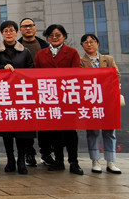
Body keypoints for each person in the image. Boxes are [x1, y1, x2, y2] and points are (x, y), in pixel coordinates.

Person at [34, 24, 83, 175]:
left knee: (70, 132)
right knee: (54, 132)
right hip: (50, 98)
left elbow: (76, 73)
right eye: (51, 35)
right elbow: (36, 76)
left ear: (64, 36)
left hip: (67, 97)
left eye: (58, 35)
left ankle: (74, 162)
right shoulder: (41, 54)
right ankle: (59, 160)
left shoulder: (72, 52)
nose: (54, 38)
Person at [0, 21, 34, 175]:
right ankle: (10, 159)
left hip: (21, 95)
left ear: (17, 32)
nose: (8, 33)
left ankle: (21, 159)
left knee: (22, 131)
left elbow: (31, 71)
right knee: (7, 131)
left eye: (11, 31)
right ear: (2, 33)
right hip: (4, 96)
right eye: (5, 31)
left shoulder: (25, 52)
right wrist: (3, 69)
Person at [80, 33, 122, 174]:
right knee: (92, 131)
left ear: (97, 44)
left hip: (108, 99)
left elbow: (116, 75)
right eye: (86, 42)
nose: (89, 44)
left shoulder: (108, 59)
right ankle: (95, 161)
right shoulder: (80, 61)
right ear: (82, 46)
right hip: (90, 99)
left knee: (109, 131)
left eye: (92, 41)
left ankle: (111, 161)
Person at [18, 17, 50, 167]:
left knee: (44, 122)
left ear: (35, 28)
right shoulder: (17, 46)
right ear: (20, 30)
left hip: (44, 88)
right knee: (27, 122)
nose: (28, 28)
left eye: (30, 25)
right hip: (24, 90)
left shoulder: (45, 46)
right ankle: (29, 153)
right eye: (25, 26)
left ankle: (46, 152)